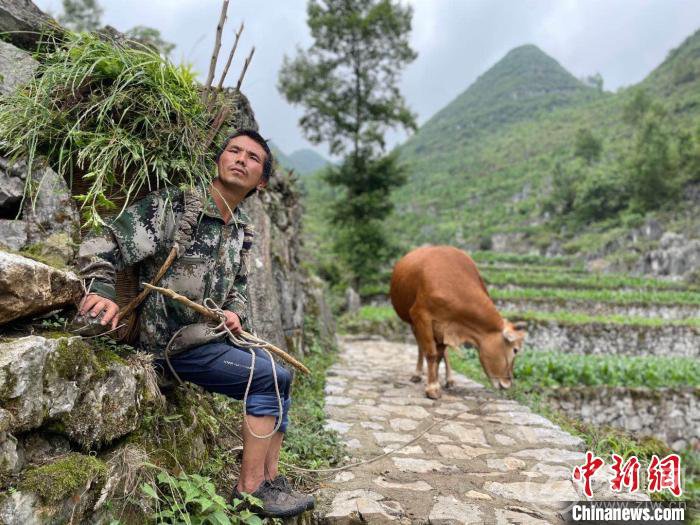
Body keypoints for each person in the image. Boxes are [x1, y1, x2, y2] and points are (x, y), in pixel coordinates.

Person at [76, 129, 314, 519]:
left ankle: (271, 479)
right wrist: (100, 289)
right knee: (265, 375)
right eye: (233, 151)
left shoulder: (239, 230)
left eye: (252, 157)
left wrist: (235, 311)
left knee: (282, 376)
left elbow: (237, 285)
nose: (240, 159)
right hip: (170, 345)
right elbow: (104, 242)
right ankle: (250, 491)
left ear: (263, 180)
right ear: (218, 161)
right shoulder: (175, 208)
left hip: (209, 339)